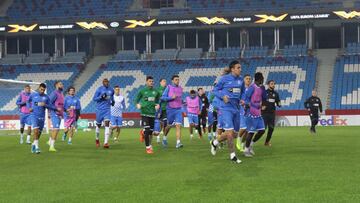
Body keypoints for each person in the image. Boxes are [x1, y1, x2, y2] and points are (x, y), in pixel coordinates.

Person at [210, 60, 245, 164]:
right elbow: (215, 90)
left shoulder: (241, 80)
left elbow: (242, 92)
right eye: (238, 67)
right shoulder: (224, 79)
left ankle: (215, 142)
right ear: (232, 69)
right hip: (225, 108)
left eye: (240, 67)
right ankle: (233, 156)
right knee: (229, 133)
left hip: (236, 108)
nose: (240, 69)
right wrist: (222, 96)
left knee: (235, 134)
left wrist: (242, 99)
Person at [27, 83, 57, 154]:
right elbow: (28, 101)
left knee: (38, 134)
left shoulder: (46, 97)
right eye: (41, 89)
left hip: (42, 117)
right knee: (36, 131)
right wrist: (29, 107)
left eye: (43, 90)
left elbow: (51, 106)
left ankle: (34, 145)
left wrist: (45, 105)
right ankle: (37, 147)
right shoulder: (33, 95)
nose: (42, 91)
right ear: (39, 88)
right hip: (34, 115)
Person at [135, 76, 160, 154]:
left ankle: (143, 132)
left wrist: (157, 104)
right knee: (147, 130)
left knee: (150, 132)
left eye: (152, 81)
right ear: (146, 82)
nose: (151, 82)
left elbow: (157, 100)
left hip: (152, 113)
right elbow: (136, 100)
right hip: (144, 113)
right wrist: (137, 105)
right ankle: (148, 147)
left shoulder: (156, 92)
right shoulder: (142, 91)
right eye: (150, 81)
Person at [243, 72, 267, 158]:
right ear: (259, 79)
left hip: (258, 112)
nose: (263, 79)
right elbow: (246, 100)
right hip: (251, 112)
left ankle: (251, 145)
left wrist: (262, 105)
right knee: (251, 132)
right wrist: (254, 105)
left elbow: (264, 98)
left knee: (262, 130)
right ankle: (246, 150)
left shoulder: (261, 88)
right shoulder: (252, 87)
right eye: (262, 78)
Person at [161, 75, 184, 149]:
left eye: (178, 79)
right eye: (176, 80)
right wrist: (171, 98)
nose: (177, 81)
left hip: (178, 109)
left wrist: (183, 105)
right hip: (170, 109)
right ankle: (164, 137)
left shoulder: (180, 88)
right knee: (169, 126)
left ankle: (178, 142)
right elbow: (162, 98)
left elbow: (180, 99)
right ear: (172, 81)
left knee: (178, 126)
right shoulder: (168, 87)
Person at [92, 78, 114, 148]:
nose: (106, 83)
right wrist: (101, 97)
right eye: (105, 82)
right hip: (99, 110)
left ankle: (106, 142)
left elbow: (112, 97)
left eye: (107, 82)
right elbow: (94, 99)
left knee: (107, 124)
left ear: (108, 82)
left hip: (107, 109)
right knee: (98, 126)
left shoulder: (111, 90)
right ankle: (97, 139)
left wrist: (113, 101)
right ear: (102, 83)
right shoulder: (99, 89)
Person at [262, 80, 281, 146]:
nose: (273, 85)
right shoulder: (264, 93)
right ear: (268, 85)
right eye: (272, 84)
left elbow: (278, 101)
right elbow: (260, 101)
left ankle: (267, 142)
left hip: (272, 114)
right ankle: (252, 141)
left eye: (274, 84)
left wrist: (279, 104)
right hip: (264, 114)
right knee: (263, 129)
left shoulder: (276, 93)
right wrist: (261, 106)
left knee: (271, 128)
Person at [236, 74, 252, 152]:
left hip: (249, 111)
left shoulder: (252, 89)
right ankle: (238, 140)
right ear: (244, 80)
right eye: (247, 79)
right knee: (244, 127)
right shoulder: (241, 89)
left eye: (249, 79)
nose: (248, 80)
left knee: (248, 130)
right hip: (242, 110)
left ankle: (242, 144)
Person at [48, 81, 64, 152]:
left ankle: (49, 141)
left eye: (62, 84)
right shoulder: (54, 93)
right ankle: (51, 147)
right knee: (56, 129)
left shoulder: (61, 94)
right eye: (60, 84)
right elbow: (48, 103)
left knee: (55, 129)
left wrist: (65, 112)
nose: (62, 85)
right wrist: (55, 109)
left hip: (59, 114)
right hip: (54, 113)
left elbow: (61, 105)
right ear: (56, 85)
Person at [156, 78, 167, 143]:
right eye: (163, 81)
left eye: (165, 81)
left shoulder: (167, 89)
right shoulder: (157, 90)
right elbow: (157, 100)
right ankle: (158, 136)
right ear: (160, 82)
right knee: (159, 123)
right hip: (160, 109)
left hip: (166, 109)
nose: (165, 82)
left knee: (166, 123)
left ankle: (164, 138)